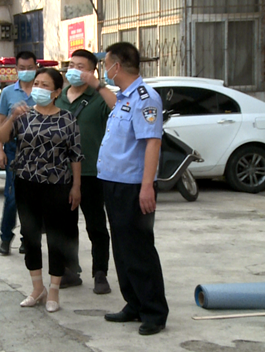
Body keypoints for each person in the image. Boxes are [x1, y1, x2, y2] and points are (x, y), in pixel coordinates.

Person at [0, 68, 83, 313]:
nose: (38, 88)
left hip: (57, 184)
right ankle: (37, 288)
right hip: (26, 183)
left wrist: (76, 186)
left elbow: (76, 155)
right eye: (36, 83)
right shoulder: (23, 115)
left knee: (56, 236)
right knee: (30, 235)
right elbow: (1, 136)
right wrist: (12, 116)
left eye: (45, 85)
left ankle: (54, 289)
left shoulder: (67, 119)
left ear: (56, 92)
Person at [97, 42, 169, 336]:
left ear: (117, 65)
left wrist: (147, 186)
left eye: (106, 65)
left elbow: (153, 142)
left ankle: (154, 312)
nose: (105, 70)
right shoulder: (123, 98)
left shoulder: (145, 98)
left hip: (132, 186)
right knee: (122, 249)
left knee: (139, 250)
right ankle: (134, 303)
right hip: (113, 183)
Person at [55, 49, 117, 293]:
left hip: (92, 172)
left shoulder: (99, 98)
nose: (74, 70)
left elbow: (119, 108)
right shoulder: (58, 97)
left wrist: (99, 86)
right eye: (72, 65)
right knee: (65, 225)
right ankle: (71, 270)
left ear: (92, 72)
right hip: (61, 173)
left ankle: (100, 272)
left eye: (81, 67)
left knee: (96, 225)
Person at [0, 51, 37, 255]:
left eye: (30, 68)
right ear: (16, 69)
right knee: (12, 197)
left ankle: (27, 238)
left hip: (38, 150)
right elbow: (0, 123)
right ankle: (5, 237)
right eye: (22, 68)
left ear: (36, 67)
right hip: (14, 148)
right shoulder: (8, 93)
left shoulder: (43, 90)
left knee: (32, 199)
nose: (26, 71)